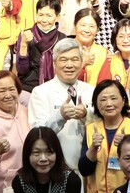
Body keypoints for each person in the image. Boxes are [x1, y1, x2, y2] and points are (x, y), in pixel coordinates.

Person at [28, 39, 95, 173]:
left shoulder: (92, 90)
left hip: (91, 168)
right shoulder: (40, 92)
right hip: (57, 170)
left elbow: (103, 124)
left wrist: (86, 115)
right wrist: (60, 116)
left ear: (82, 62)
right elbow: (37, 133)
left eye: (74, 59)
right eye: (63, 60)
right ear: (54, 64)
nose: (69, 65)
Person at [16, 0, 65, 93]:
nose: (44, 20)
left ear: (57, 17)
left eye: (49, 16)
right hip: (29, 88)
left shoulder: (62, 39)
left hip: (55, 89)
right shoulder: (26, 35)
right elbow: (21, 70)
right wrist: (24, 44)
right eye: (40, 15)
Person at [73, 8, 108, 86]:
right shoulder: (65, 49)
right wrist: (83, 63)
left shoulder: (103, 53)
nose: (87, 30)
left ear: (97, 30)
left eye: (91, 26)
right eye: (83, 25)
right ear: (75, 25)